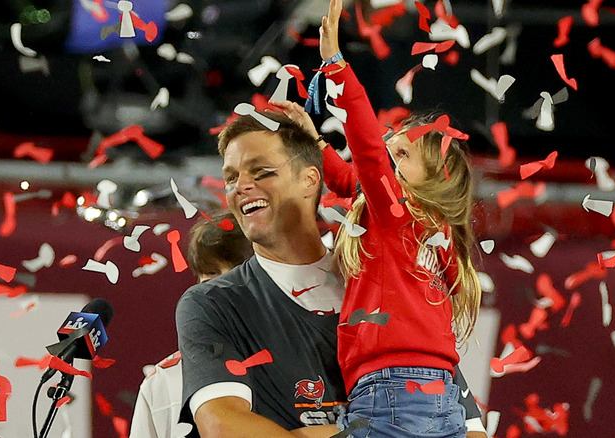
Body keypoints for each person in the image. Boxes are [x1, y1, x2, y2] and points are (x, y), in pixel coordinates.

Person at [174, 103, 487, 435]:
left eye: (262, 171)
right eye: (231, 177)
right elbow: (224, 428)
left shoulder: (391, 286)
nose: (242, 186)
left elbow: (472, 431)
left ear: (311, 180)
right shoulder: (213, 304)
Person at [273, 0, 482, 436]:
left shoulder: (398, 216)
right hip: (442, 399)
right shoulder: (429, 228)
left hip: (391, 395)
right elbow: (354, 181)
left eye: (401, 154)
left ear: (434, 177)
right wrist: (315, 141)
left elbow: (366, 154)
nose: (387, 155)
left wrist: (335, 66)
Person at [130, 210, 253, 438]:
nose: (222, 285)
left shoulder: (301, 363)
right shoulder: (163, 381)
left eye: (239, 270)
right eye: (211, 272)